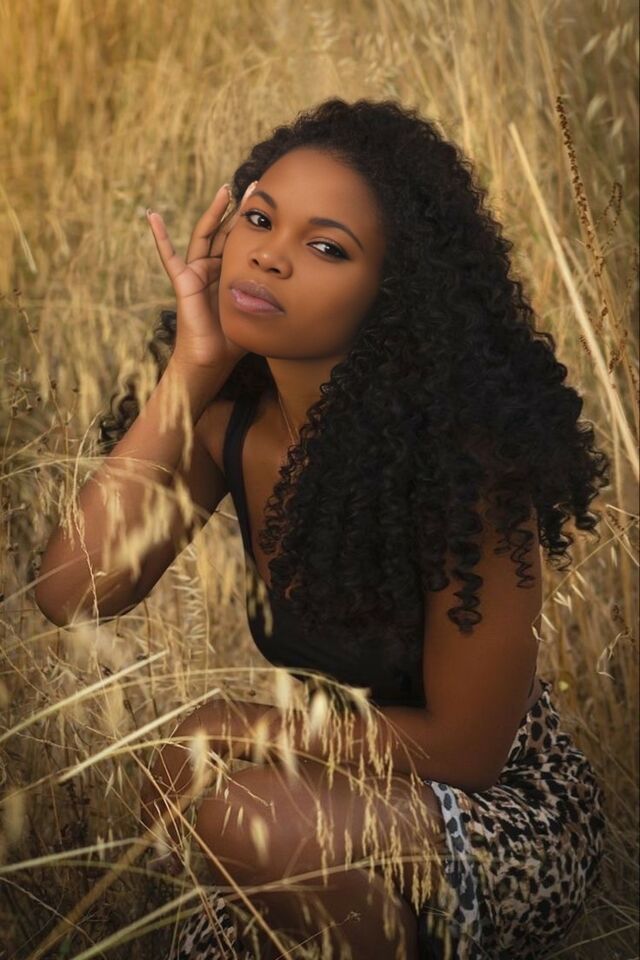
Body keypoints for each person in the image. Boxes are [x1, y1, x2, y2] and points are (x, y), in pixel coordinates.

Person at [35, 97, 609, 960]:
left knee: (230, 805)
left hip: (495, 813)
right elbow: (71, 592)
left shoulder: (464, 468)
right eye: (260, 218)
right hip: (325, 787)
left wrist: (240, 723)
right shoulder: (229, 422)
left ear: (393, 296)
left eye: (328, 247)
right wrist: (193, 369)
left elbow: (468, 747)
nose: (269, 254)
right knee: (195, 796)